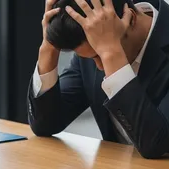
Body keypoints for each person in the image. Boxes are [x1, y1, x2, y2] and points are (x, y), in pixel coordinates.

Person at [27, 0, 169, 159]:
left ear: (132, 18)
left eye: (99, 55)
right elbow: (45, 124)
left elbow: (156, 145)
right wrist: (49, 47)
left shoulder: (102, 41)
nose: (100, 67)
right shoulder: (92, 41)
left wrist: (110, 52)